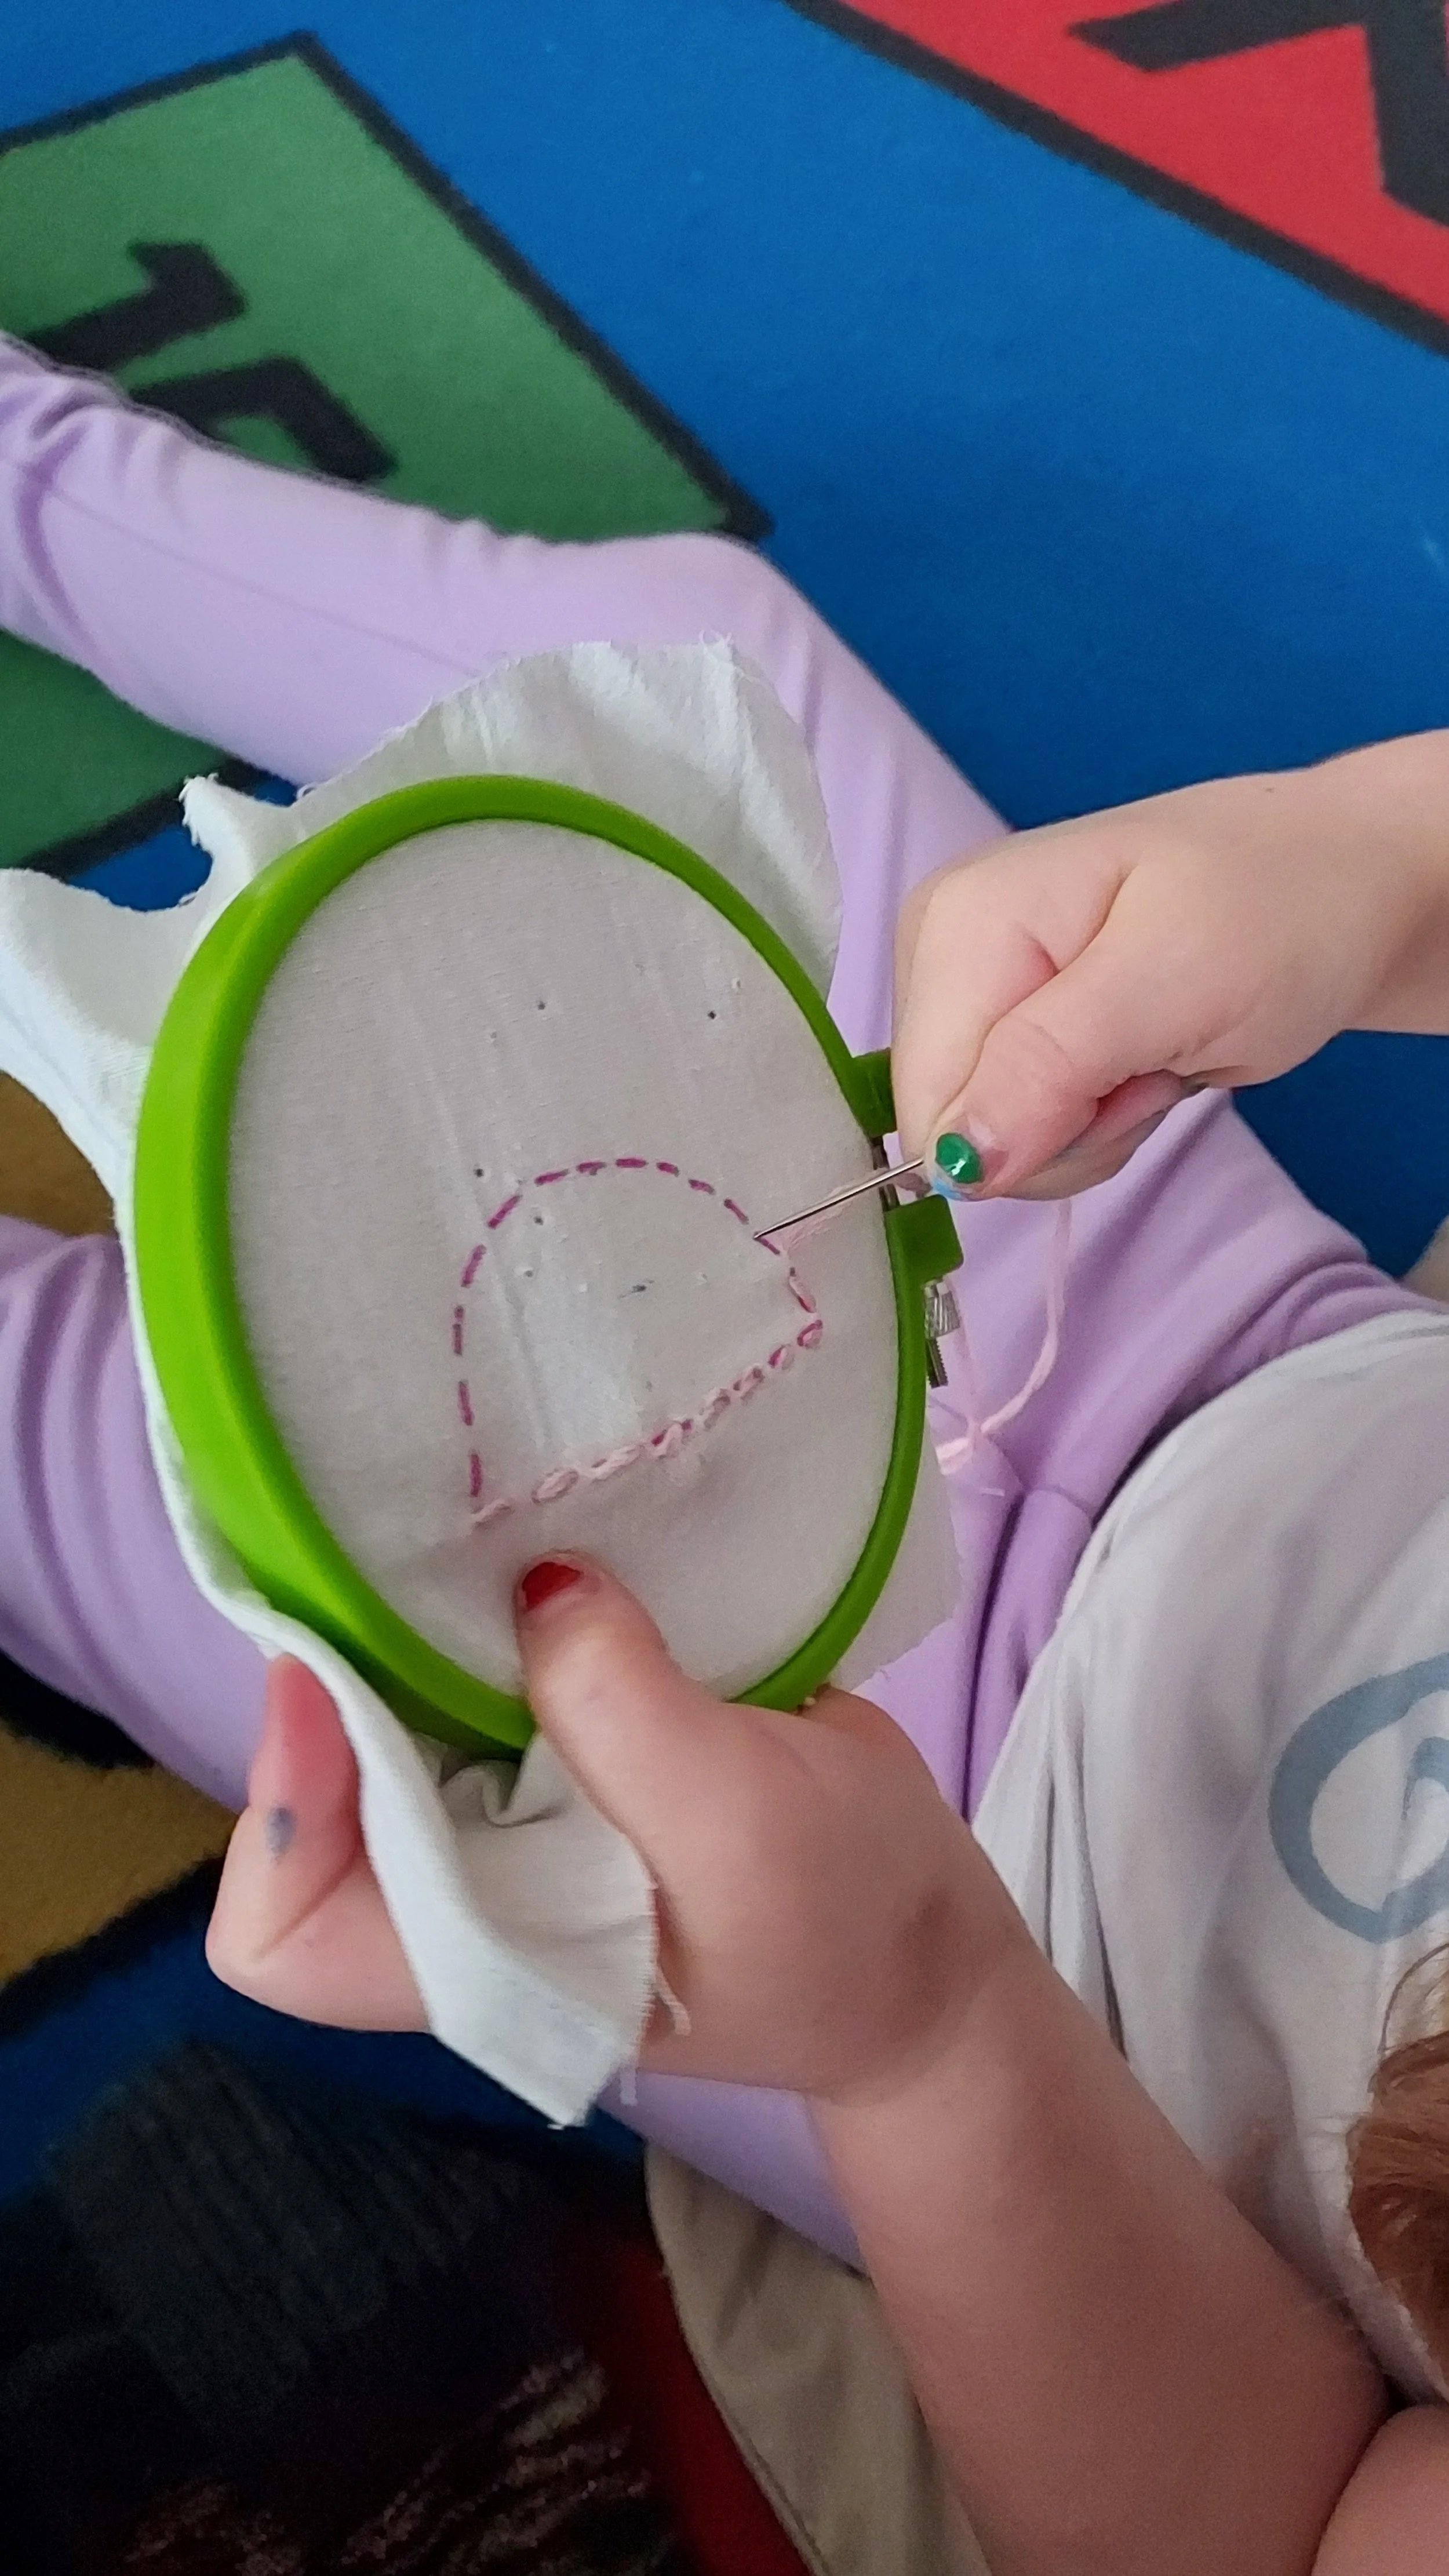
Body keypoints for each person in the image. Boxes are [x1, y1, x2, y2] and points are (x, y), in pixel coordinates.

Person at [5, 332, 1449, 2565]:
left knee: (90, 1449)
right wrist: (1375, 860)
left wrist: (918, 2035)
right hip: (1226, 1322)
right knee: (691, 661)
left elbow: (1264, 2526)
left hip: (913, 1867)